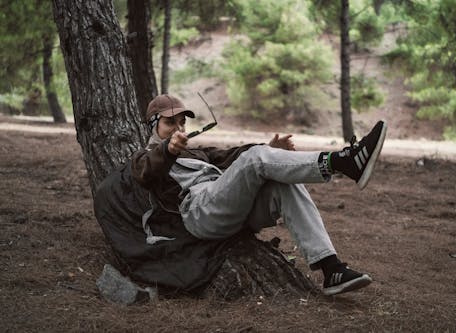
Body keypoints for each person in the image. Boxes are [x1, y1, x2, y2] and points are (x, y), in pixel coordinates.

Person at [131, 94, 387, 296]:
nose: (179, 128)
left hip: (228, 207)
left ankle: (332, 270)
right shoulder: (144, 157)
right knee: (254, 160)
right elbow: (147, 172)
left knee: (284, 181)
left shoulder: (197, 152)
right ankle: (343, 162)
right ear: (154, 126)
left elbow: (233, 155)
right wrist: (168, 150)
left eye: (182, 123)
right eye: (170, 123)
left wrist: (270, 149)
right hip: (199, 213)